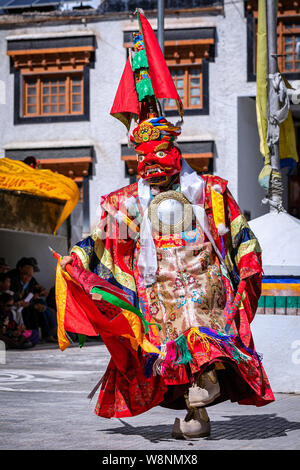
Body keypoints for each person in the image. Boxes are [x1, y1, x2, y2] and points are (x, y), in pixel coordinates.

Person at [57, 11, 274, 439]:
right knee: (170, 356)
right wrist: (77, 258)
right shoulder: (127, 203)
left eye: (160, 155)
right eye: (144, 159)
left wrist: (247, 262)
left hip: (203, 289)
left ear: (175, 152)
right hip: (158, 295)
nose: (152, 166)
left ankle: (203, 391)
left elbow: (241, 234)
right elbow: (103, 239)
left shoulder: (209, 192)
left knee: (202, 339)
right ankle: (195, 418)